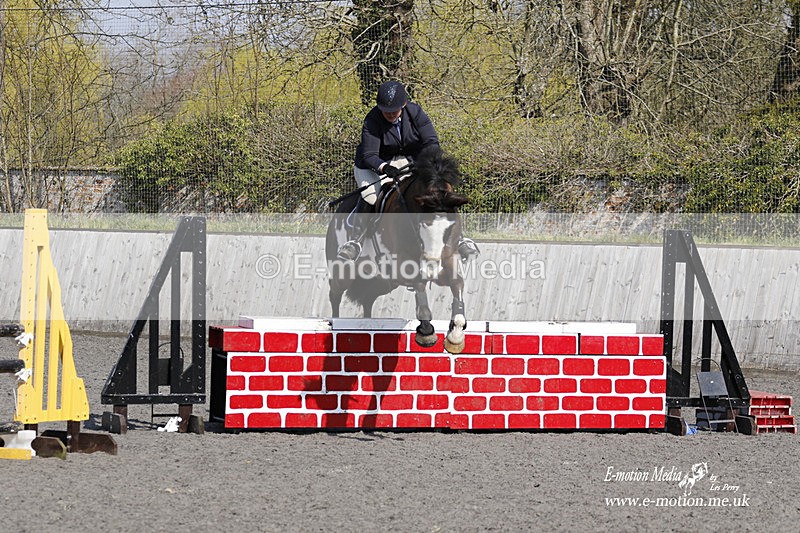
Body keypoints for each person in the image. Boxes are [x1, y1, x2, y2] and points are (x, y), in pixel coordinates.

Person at [337, 80, 480, 261]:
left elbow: (431, 142)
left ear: (403, 105)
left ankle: (460, 239)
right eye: (385, 110)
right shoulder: (372, 120)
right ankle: (355, 241)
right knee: (372, 196)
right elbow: (369, 154)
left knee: (438, 191)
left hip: (408, 161)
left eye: (394, 110)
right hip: (374, 165)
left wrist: (424, 163)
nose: (389, 113)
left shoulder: (416, 113)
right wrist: (384, 167)